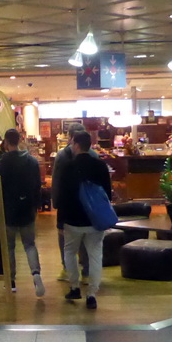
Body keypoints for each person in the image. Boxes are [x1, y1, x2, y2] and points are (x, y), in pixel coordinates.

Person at [57, 131, 111, 310]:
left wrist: (60, 222)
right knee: (95, 255)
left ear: (77, 145)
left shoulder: (68, 167)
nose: (71, 146)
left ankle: (74, 287)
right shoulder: (100, 166)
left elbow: (62, 197)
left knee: (70, 252)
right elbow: (107, 195)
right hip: (95, 220)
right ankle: (92, 294)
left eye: (72, 143)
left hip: (73, 220)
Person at [0, 128, 46, 297]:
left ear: (6, 143)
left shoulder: (1, 163)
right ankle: (36, 274)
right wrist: (36, 206)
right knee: (29, 245)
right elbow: (38, 186)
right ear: (20, 140)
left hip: (8, 211)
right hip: (27, 210)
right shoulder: (31, 161)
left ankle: (12, 282)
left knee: (9, 247)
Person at [51, 123, 90, 283]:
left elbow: (56, 181)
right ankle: (86, 271)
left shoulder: (62, 156)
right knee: (85, 237)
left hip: (67, 204)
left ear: (71, 138)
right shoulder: (92, 155)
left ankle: (67, 270)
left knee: (64, 238)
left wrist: (56, 202)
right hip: (87, 204)